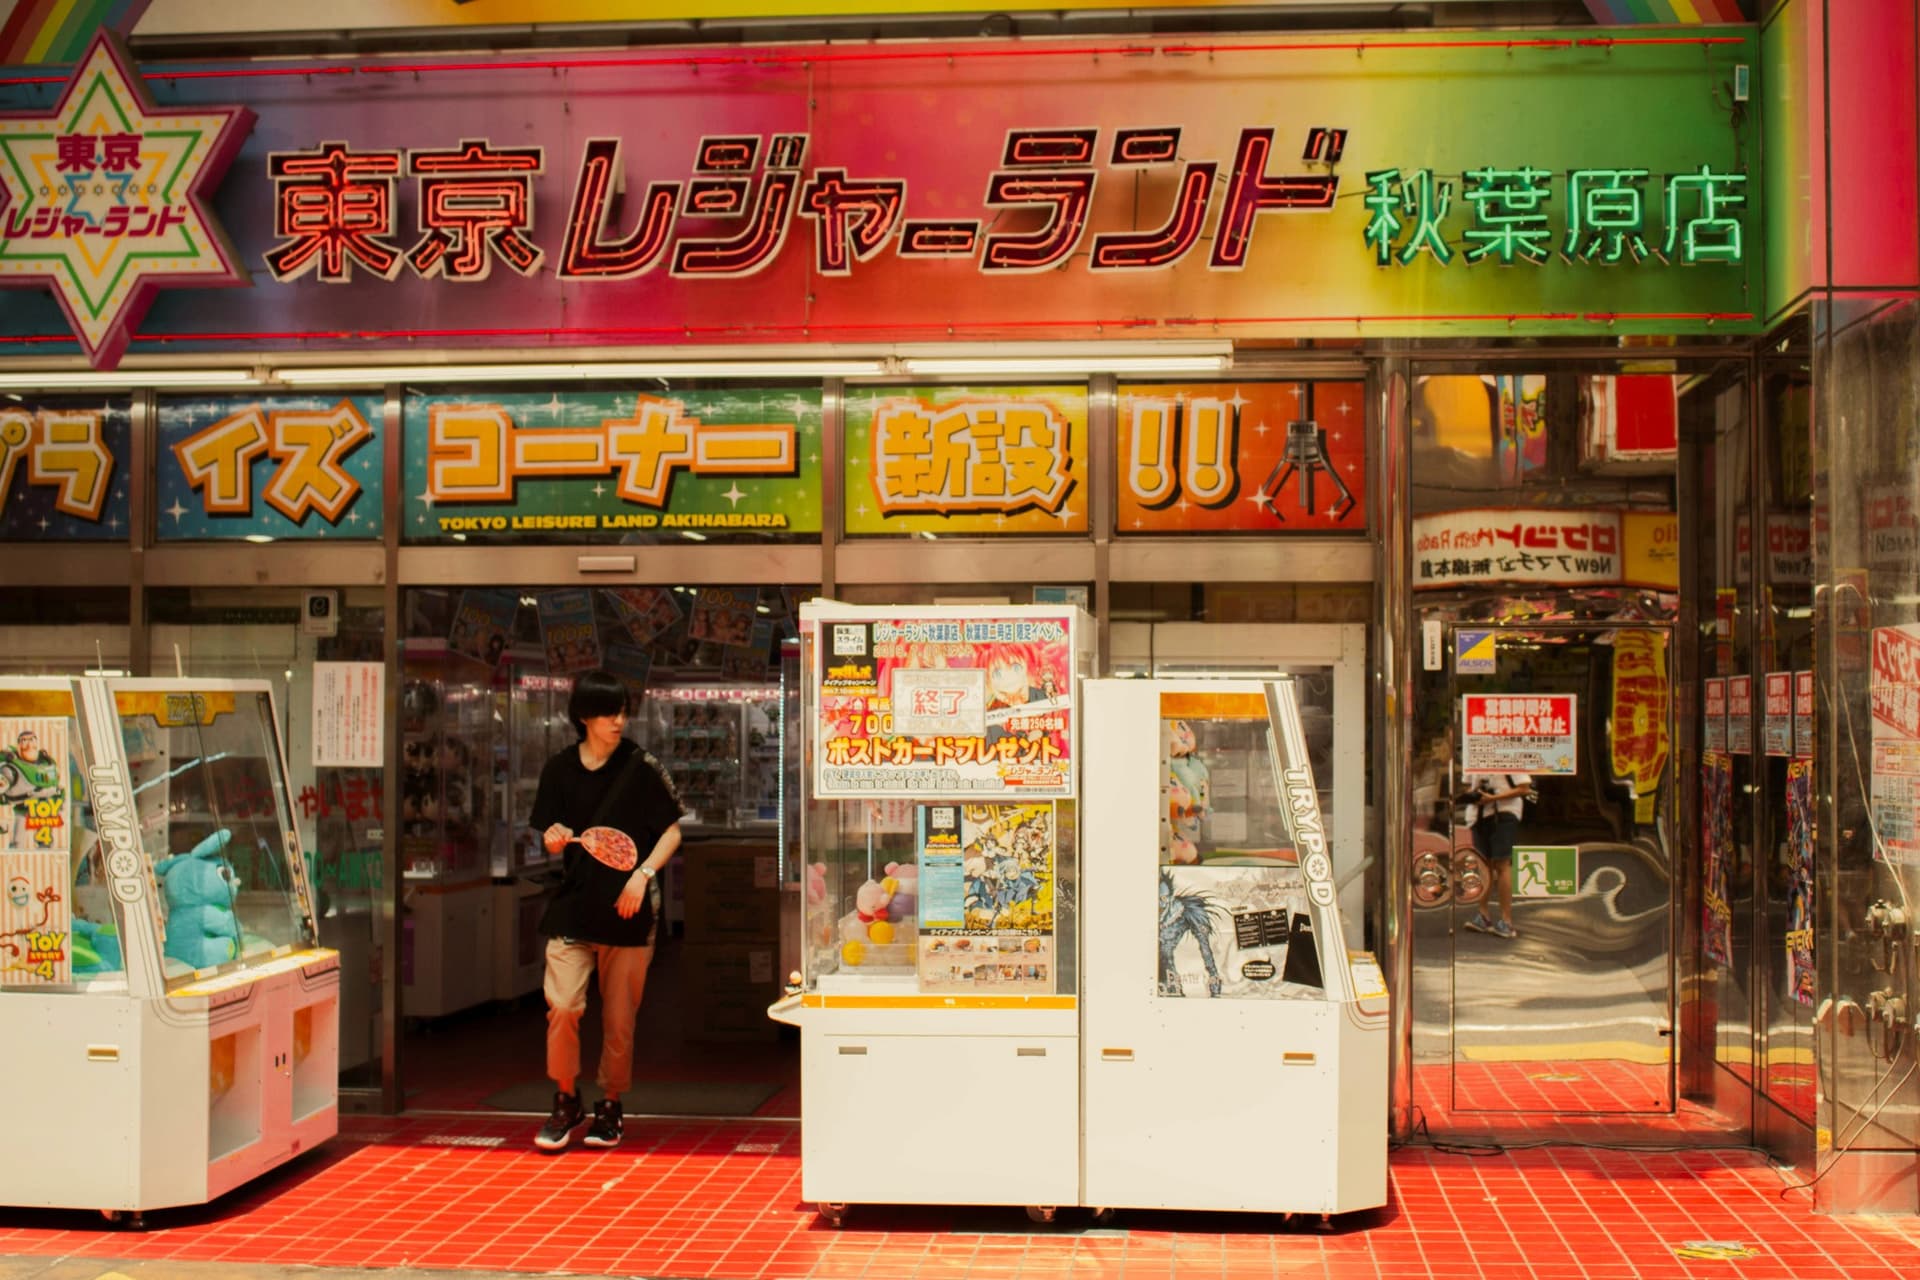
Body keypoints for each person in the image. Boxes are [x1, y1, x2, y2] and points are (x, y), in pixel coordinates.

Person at [528, 669, 684, 1152]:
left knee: (619, 1019)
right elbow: (549, 833)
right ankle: (565, 1097)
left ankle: (611, 1104)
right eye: (608, 712)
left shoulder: (641, 766)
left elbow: (672, 831)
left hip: (627, 913)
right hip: (573, 909)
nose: (619, 720)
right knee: (564, 1007)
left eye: (622, 711)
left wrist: (642, 875)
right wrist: (552, 838)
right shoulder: (557, 770)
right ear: (583, 717)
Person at [1462, 771, 1532, 940]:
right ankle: (1483, 916)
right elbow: (1467, 786)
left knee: (1502, 865)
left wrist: (1493, 798)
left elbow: (1524, 789)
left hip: (1504, 813)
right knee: (1483, 865)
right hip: (1477, 815)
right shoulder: (1473, 754)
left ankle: (1506, 921)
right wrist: (1473, 795)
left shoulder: (1508, 754)